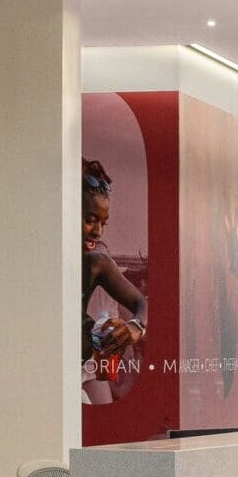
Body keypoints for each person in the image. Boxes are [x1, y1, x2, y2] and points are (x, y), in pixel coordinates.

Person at [82, 160, 146, 390]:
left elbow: (140, 303)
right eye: (90, 221)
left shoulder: (96, 264)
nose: (98, 232)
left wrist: (135, 327)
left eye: (103, 223)